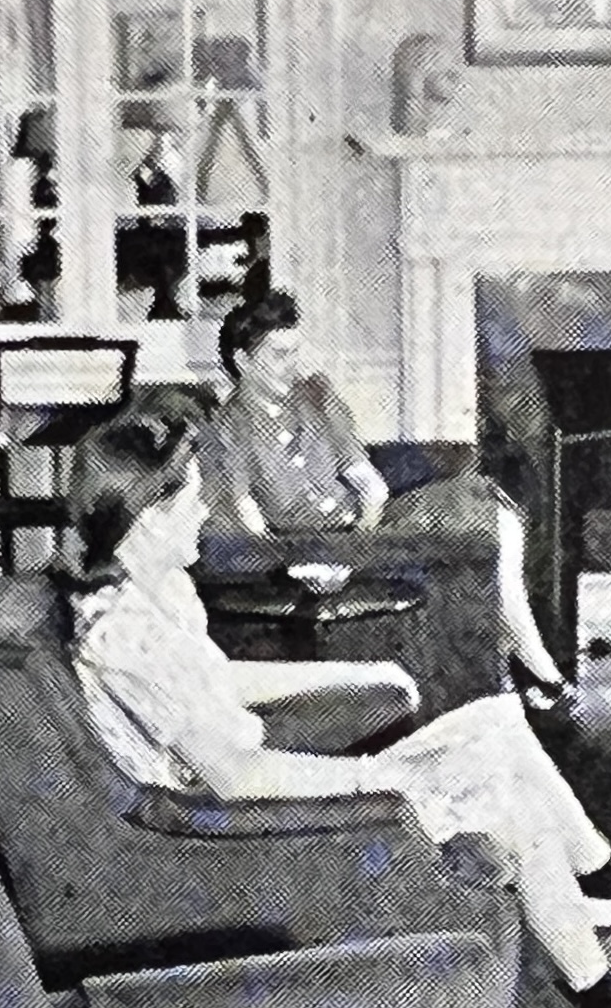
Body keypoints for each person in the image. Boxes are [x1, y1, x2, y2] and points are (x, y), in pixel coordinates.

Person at [57, 406, 611, 1008]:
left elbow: (216, 678)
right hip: (240, 835)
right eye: (193, 500)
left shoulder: (157, 590)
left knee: (495, 721)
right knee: (503, 802)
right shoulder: (125, 637)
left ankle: (600, 882)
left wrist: (353, 669)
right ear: (147, 518)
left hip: (257, 796)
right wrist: (382, 777)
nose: (207, 511)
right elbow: (235, 777)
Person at [200, 290, 573, 707]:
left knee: (493, 516)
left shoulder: (316, 395)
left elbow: (371, 487)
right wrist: (292, 564)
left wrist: (359, 548)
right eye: (279, 356)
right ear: (242, 362)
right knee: (473, 539)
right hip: (304, 546)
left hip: (370, 529)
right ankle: (531, 671)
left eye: (295, 353)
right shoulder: (226, 429)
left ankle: (521, 660)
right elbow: (246, 516)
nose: (293, 367)